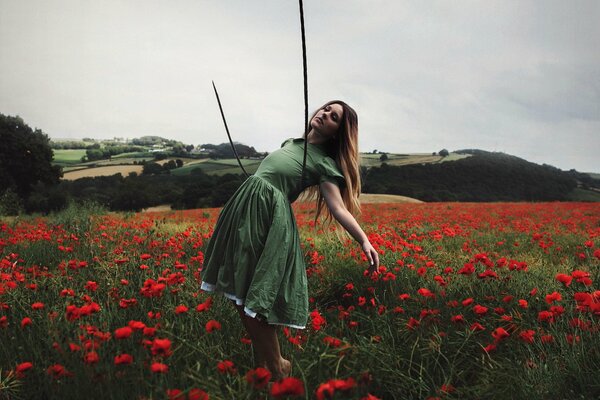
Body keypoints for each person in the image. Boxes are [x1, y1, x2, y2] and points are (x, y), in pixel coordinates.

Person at [200, 100, 380, 380]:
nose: (324, 115)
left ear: (337, 133)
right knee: (240, 290)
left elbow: (338, 207)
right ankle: (265, 365)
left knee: (251, 295)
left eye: (334, 117)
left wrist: (364, 240)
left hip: (268, 218)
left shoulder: (324, 163)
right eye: (325, 109)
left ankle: (278, 365)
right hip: (247, 209)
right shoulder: (292, 142)